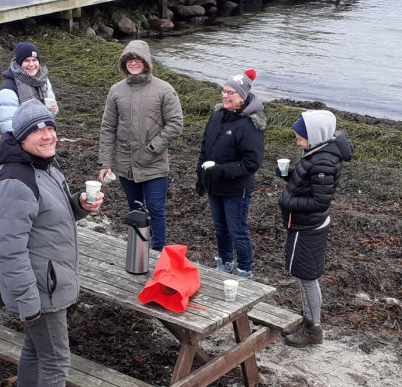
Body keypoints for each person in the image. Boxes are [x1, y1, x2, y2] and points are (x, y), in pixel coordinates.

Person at [0, 99, 102, 387]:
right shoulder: (14, 181)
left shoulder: (44, 167)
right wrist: (28, 302)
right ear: (22, 137)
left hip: (48, 281)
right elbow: (8, 250)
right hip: (41, 289)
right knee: (55, 361)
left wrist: (79, 205)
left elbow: (51, 217)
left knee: (35, 352)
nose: (48, 135)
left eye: (50, 127)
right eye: (38, 130)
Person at [97, 40, 183, 251]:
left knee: (155, 209)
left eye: (137, 59)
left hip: (154, 163)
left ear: (146, 62)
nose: (133, 63)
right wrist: (105, 163)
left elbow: (175, 124)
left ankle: (158, 251)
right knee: (135, 208)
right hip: (125, 164)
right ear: (123, 63)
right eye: (129, 59)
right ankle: (138, 249)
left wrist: (153, 147)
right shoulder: (116, 91)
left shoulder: (164, 89)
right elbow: (108, 128)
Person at [278, 110, 353, 346]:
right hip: (303, 224)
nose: (297, 141)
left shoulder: (323, 161)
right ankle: (307, 321)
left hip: (309, 227)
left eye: (301, 137)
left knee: (307, 277)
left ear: (316, 135)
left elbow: (320, 202)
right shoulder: (317, 152)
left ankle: (313, 329)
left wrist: (287, 202)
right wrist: (289, 176)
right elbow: (308, 184)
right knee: (302, 276)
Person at [196, 69, 265, 279]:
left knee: (237, 231)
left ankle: (245, 271)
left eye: (230, 93)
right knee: (220, 229)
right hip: (214, 185)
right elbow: (205, 148)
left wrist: (219, 170)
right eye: (224, 91)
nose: (225, 96)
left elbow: (252, 163)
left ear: (242, 97)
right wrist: (201, 177)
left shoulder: (249, 124)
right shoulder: (217, 116)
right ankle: (225, 264)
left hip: (236, 189)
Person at [0, 42, 58, 133]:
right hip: (23, 138)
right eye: (26, 60)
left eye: (34, 60)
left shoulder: (43, 80)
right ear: (19, 63)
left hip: (44, 135)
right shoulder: (8, 90)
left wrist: (53, 110)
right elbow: (8, 129)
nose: (31, 64)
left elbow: (53, 112)